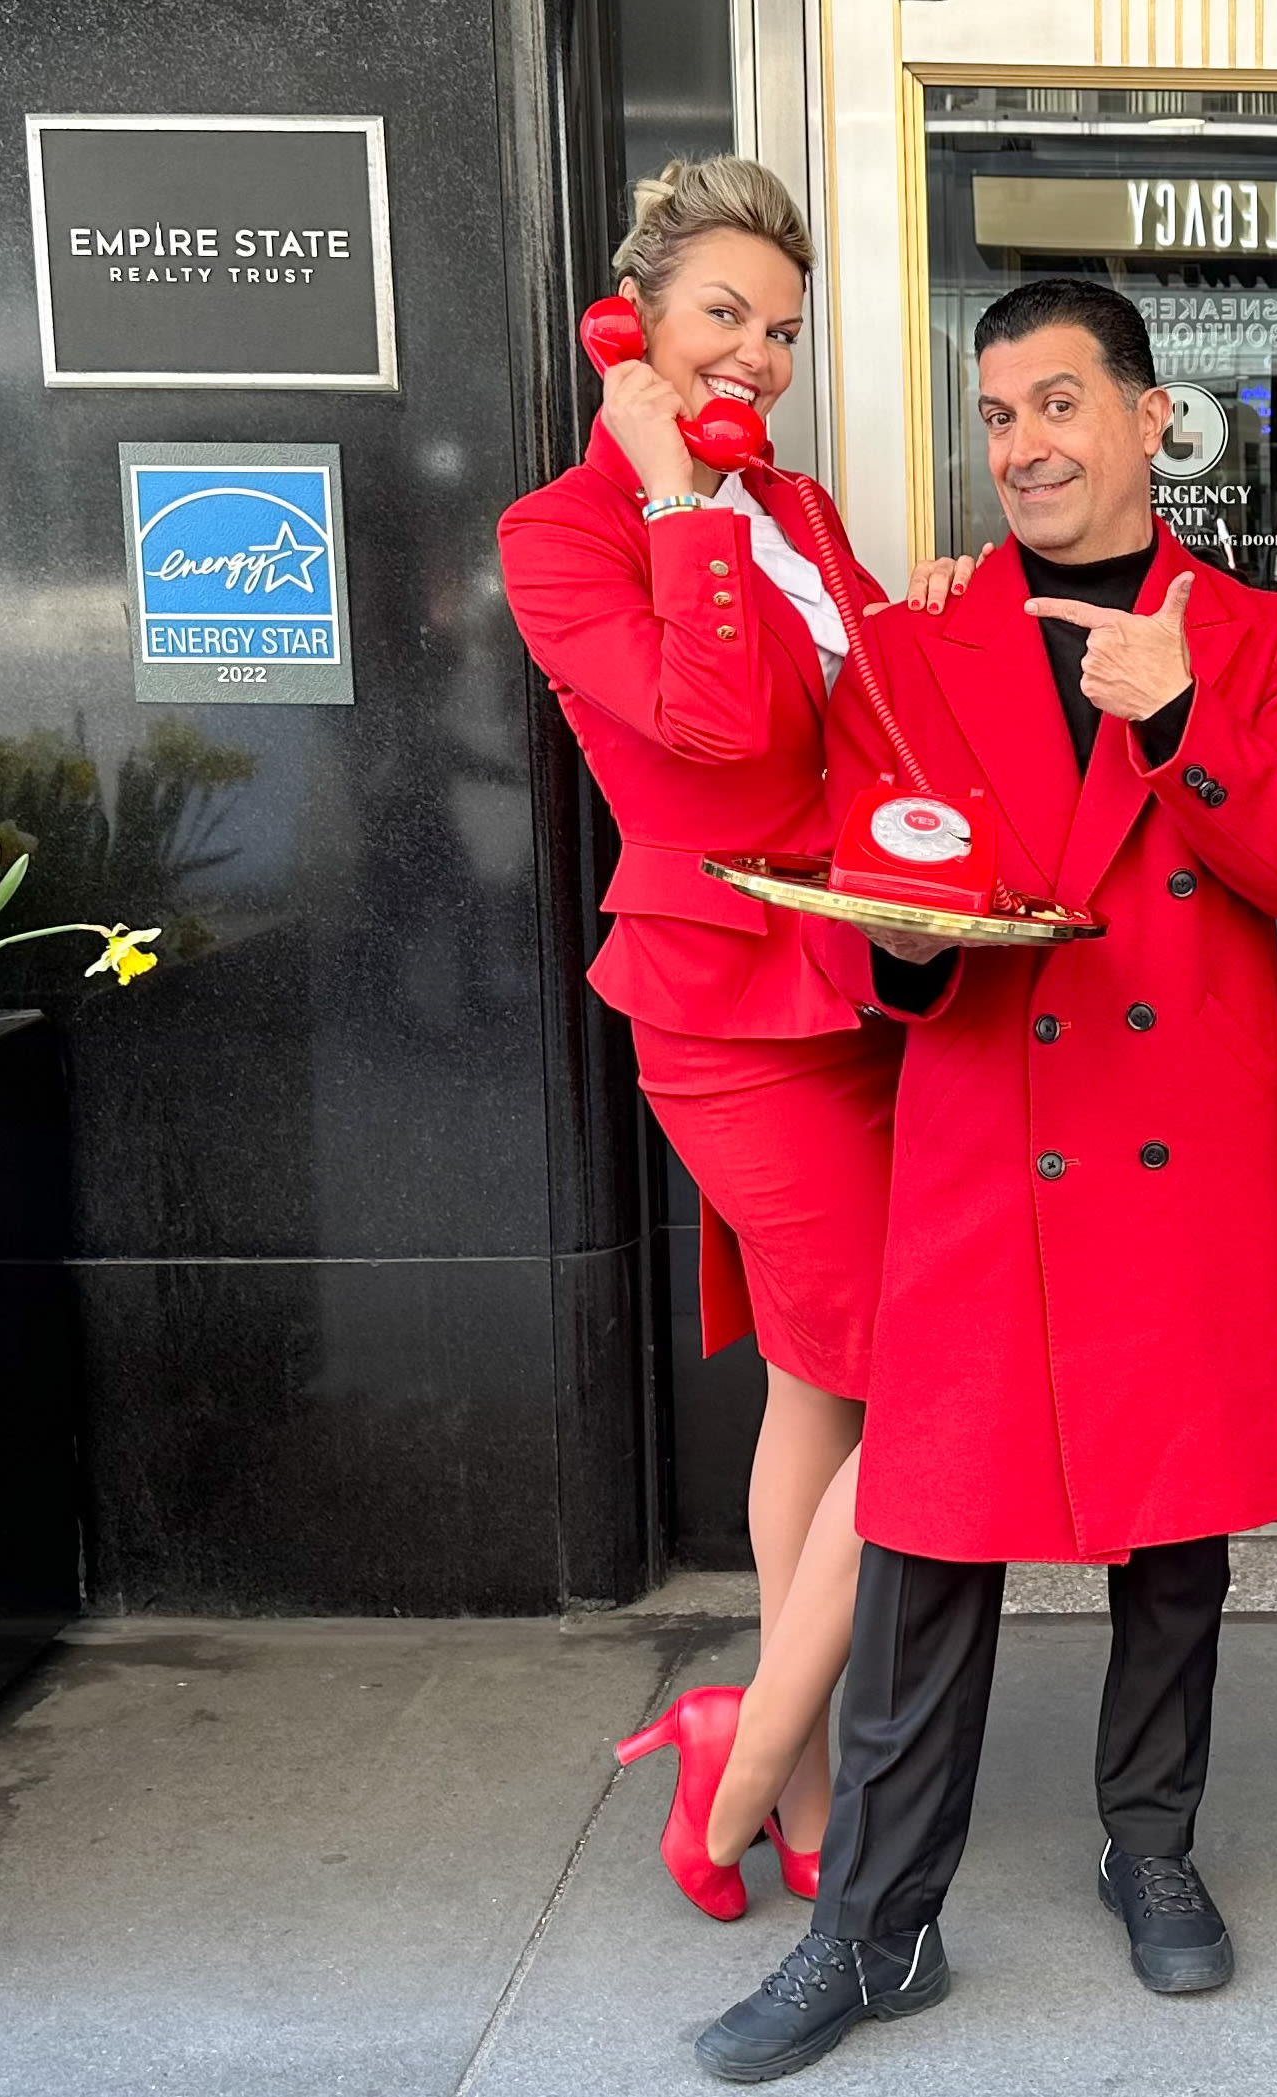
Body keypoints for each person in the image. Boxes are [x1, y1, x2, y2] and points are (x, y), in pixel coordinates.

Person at [691, 277, 1277, 2083]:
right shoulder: (919, 644)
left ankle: (1149, 1847)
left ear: (1153, 422)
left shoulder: (1255, 636)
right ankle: (876, 1928)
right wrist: (904, 954)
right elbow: (875, 893)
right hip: (990, 1139)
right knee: (923, 1538)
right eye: (996, 416)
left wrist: (1175, 720)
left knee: (1174, 1537)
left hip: (1177, 1144)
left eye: (1060, 405)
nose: (1026, 447)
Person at [497, 157, 965, 1926]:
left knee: (816, 1378)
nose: (759, 355)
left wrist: (918, 620)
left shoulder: (806, 508)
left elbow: (852, 727)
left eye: (780, 327)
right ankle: (747, 1744)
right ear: (625, 324)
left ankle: (800, 1752)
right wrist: (678, 496)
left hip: (861, 991)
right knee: (919, 1384)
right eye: (722, 317)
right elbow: (705, 732)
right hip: (728, 1017)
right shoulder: (562, 534)